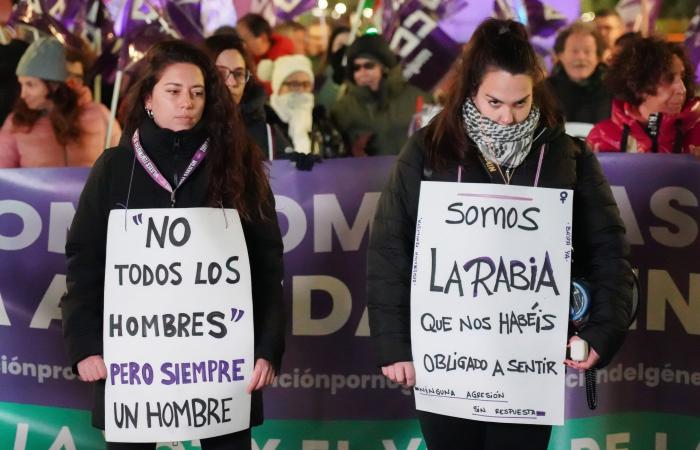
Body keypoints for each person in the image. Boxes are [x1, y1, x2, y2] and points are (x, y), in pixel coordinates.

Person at [367, 19, 633, 450]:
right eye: (494, 102)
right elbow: (389, 248)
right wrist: (394, 344)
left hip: (527, 365)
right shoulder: (428, 150)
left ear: (537, 91)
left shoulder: (568, 155)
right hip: (448, 361)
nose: (507, 117)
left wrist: (602, 332)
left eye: (520, 103)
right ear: (470, 88)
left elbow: (609, 251)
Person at [60, 40, 285, 449]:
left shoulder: (239, 165)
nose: (187, 103)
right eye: (174, 91)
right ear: (149, 98)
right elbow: (85, 262)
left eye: (197, 93)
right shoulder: (114, 167)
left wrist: (267, 348)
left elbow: (267, 266)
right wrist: (85, 346)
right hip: (132, 367)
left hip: (222, 370)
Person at [0, 37, 120, 168]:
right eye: (21, 84)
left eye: (30, 85)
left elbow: (120, 164)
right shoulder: (16, 122)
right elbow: (4, 175)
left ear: (54, 85)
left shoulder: (100, 116)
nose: (23, 94)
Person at [587, 37, 699, 153]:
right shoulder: (601, 138)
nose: (682, 89)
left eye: (682, 77)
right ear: (638, 85)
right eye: (668, 78)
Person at [331, 33, 427, 156]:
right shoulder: (344, 107)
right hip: (367, 173)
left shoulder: (415, 97)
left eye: (368, 65)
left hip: (410, 172)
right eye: (356, 68)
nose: (362, 72)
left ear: (384, 67)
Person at [203, 32, 292, 159]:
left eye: (239, 74)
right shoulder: (184, 129)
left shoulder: (267, 135)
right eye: (220, 74)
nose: (232, 83)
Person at [259, 54, 345, 162]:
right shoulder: (263, 122)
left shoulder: (321, 122)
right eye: (293, 84)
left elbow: (337, 160)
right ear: (277, 87)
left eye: (306, 84)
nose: (300, 90)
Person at [546, 22, 612, 124]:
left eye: (587, 51)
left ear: (598, 57)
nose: (581, 57)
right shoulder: (546, 91)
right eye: (574, 51)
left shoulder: (613, 90)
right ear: (560, 56)